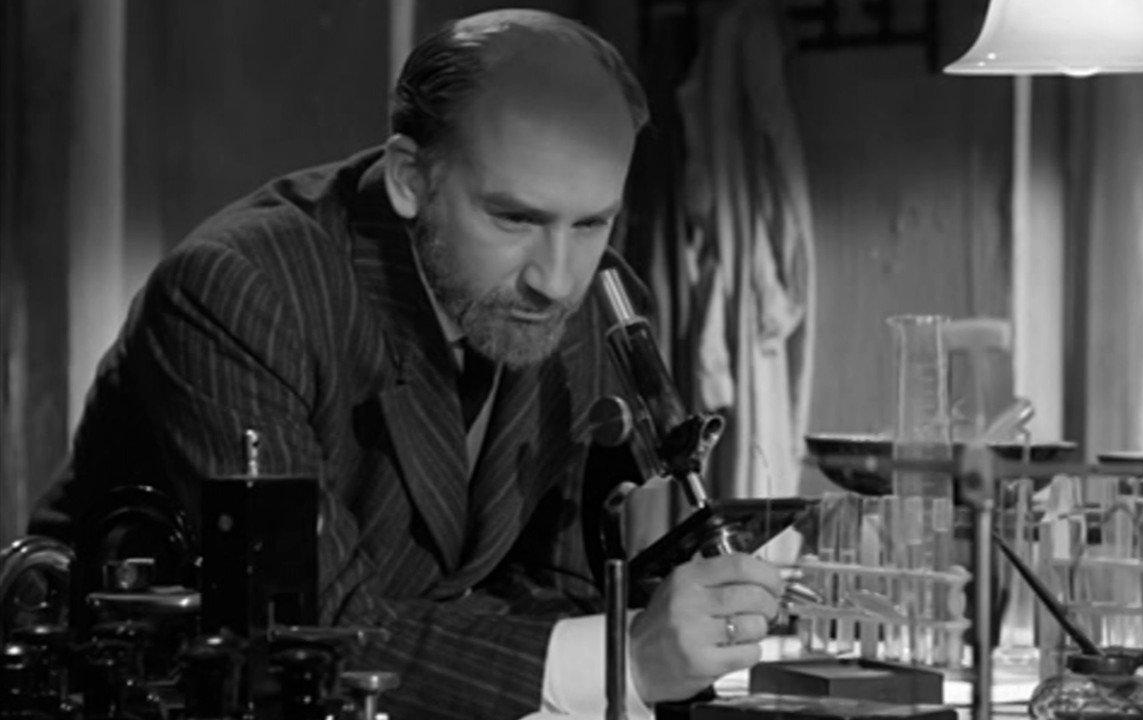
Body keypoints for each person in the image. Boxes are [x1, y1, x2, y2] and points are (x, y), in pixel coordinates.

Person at [29, 9, 788, 719]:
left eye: (592, 222)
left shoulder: (594, 301)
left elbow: (557, 590)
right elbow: (307, 633)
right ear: (408, 177)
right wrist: (629, 657)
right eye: (513, 218)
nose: (557, 280)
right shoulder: (240, 292)